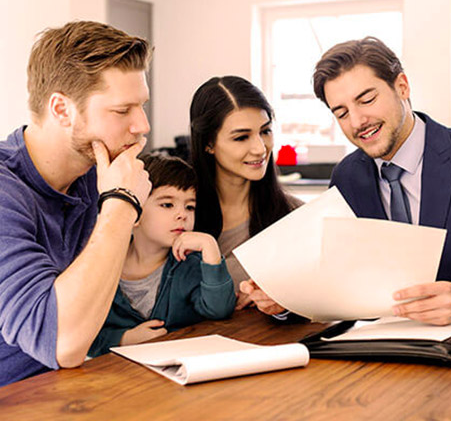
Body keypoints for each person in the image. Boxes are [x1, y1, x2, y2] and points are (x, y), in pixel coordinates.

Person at [312, 36, 451, 326]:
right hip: (381, 349)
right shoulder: (346, 177)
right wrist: (282, 300)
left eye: (367, 100)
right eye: (342, 113)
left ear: (402, 86)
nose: (357, 121)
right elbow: (339, 279)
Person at [0, 21, 153, 386]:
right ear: (61, 109)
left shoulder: (93, 174)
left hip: (59, 389)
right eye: (122, 111)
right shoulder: (7, 191)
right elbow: (60, 343)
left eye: (142, 107)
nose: (142, 125)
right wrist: (121, 203)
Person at [88, 154, 235, 357]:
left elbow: (219, 309)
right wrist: (124, 339)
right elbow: (84, 334)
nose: (182, 214)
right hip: (117, 377)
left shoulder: (190, 263)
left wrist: (210, 247)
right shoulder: (101, 264)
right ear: (134, 212)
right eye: (167, 205)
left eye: (190, 207)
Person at [189, 76, 300, 315]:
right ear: (209, 143)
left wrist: (284, 304)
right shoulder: (177, 213)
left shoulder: (295, 217)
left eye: (265, 131)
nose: (260, 148)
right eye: (241, 137)